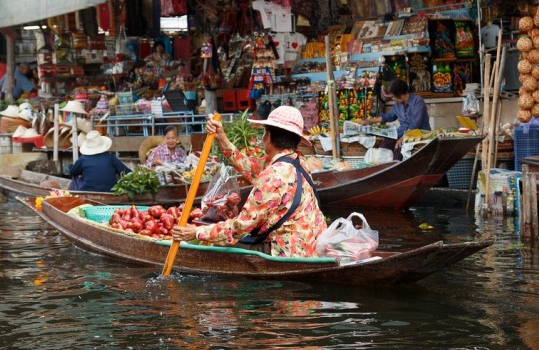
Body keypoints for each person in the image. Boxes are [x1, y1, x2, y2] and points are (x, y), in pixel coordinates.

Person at [172, 106, 327, 257]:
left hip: (287, 252)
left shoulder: (273, 175)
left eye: (265, 133)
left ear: (268, 137)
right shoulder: (299, 162)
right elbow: (250, 167)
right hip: (310, 246)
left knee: (217, 244)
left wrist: (196, 232)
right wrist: (221, 137)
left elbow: (240, 228)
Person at [361, 78, 431, 153]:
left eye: (393, 97)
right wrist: (368, 121)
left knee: (398, 151)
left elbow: (414, 124)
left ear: (400, 93)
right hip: (402, 134)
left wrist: (402, 139)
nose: (393, 99)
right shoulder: (398, 105)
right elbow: (388, 116)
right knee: (384, 146)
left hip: (418, 134)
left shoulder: (417, 101)